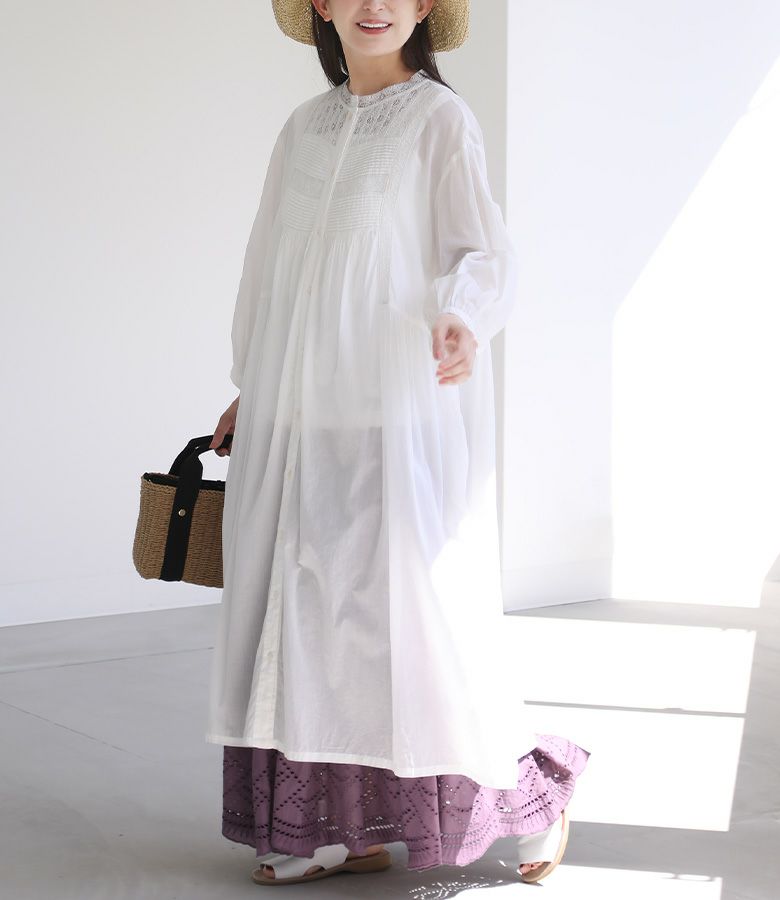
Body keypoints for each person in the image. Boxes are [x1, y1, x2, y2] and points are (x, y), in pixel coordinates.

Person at [207, 0, 591, 885]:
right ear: (322, 6)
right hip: (303, 417)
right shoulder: (304, 128)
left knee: (419, 624)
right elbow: (272, 270)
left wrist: (462, 317)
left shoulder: (438, 120)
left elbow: (481, 249)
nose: (373, 6)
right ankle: (343, 831)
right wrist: (253, 384)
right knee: (310, 623)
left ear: (423, 7)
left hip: (398, 410)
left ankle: (534, 794)